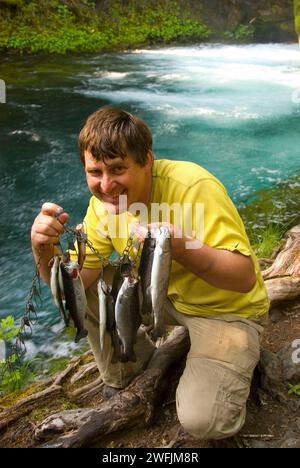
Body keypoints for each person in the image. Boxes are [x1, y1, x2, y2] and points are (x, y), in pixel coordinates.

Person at [31, 105, 270, 440]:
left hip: (223, 309)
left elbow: (244, 278)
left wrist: (180, 244)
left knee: (205, 421)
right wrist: (43, 250)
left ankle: (238, 354)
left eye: (117, 169)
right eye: (95, 171)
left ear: (147, 160)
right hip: (154, 298)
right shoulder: (102, 204)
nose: (106, 184)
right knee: (88, 284)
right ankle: (127, 365)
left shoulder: (192, 186)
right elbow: (75, 286)